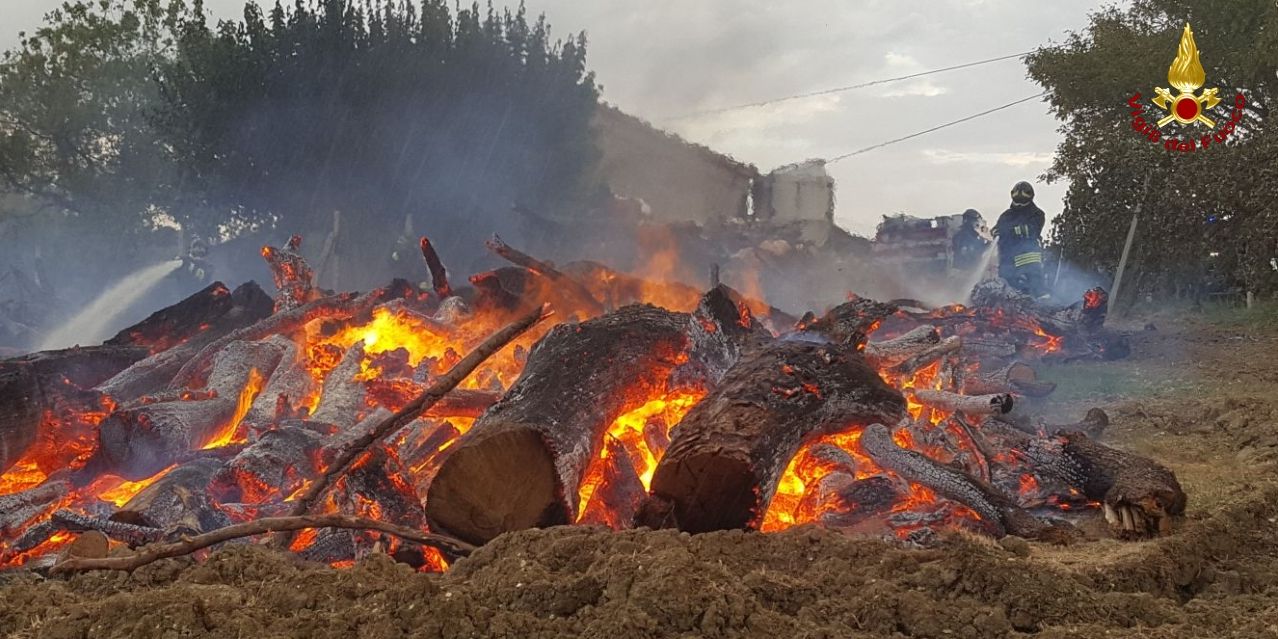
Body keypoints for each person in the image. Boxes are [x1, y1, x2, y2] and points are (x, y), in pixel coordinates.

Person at [992, 181, 1047, 297]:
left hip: (1028, 261)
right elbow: (997, 229)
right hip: (1007, 262)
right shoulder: (1006, 215)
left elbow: (1032, 230)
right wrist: (995, 232)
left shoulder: (1037, 214)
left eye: (1022, 201)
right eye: (1017, 201)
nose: (1019, 205)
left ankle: (1044, 305)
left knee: (1036, 291)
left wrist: (1011, 231)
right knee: (1008, 294)